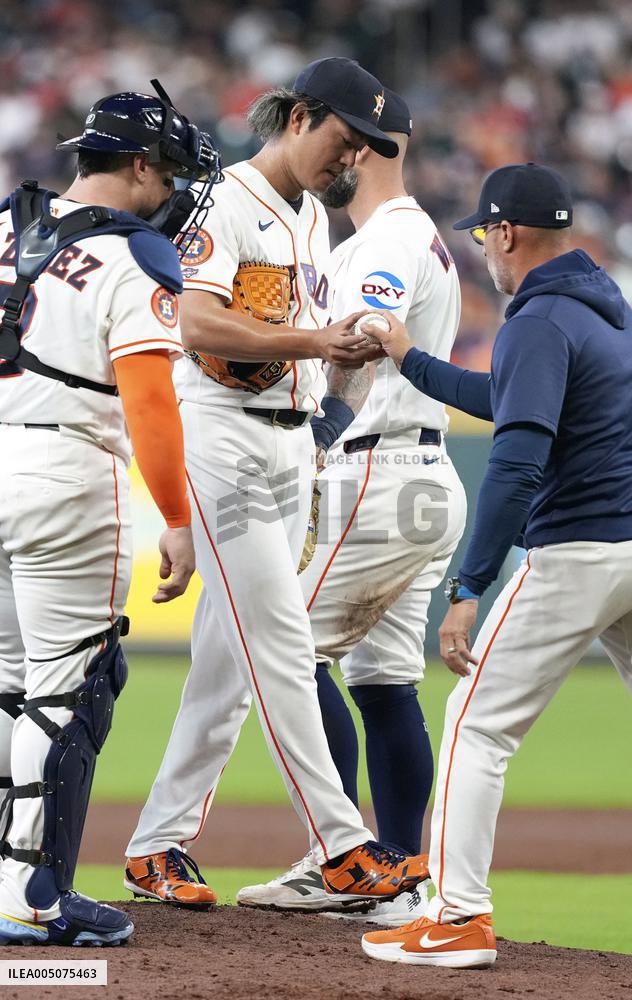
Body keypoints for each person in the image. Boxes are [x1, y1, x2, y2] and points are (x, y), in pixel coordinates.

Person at [124, 58, 429, 911]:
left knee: (227, 662)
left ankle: (156, 847)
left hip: (290, 442)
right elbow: (192, 319)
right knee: (282, 641)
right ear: (298, 118)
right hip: (222, 435)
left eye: (367, 148)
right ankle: (342, 844)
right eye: (343, 140)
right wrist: (314, 345)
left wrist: (324, 411)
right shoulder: (225, 201)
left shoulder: (307, 215)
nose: (352, 160)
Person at [358, 161, 632, 967]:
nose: (484, 250)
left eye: (485, 234)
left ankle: (458, 918)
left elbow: (519, 460)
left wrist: (468, 586)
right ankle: (455, 914)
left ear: (505, 232)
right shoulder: (605, 306)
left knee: (475, 723)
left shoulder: (536, 320)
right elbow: (508, 396)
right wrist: (410, 360)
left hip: (582, 550)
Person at [237, 89, 466, 926]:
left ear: (363, 150)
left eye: (344, 148)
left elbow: (369, 330)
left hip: (380, 469)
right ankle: (400, 878)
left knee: (285, 656)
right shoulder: (421, 236)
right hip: (424, 475)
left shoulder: (390, 238)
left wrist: (320, 426)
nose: (334, 163)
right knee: (385, 680)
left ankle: (338, 858)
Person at [0, 84, 218, 946]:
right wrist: (176, 516)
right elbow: (151, 406)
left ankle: (5, 879)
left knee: (8, 681)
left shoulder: (6, 224)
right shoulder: (135, 258)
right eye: (164, 175)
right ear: (136, 166)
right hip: (63, 468)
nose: (170, 192)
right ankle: (32, 892)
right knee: (69, 687)